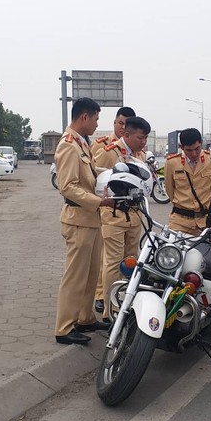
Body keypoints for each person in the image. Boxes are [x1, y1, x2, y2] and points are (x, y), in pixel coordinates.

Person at [54, 97, 114, 345]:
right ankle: (64, 328)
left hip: (90, 220)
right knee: (75, 276)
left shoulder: (81, 143)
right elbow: (67, 187)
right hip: (78, 219)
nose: (97, 124)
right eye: (96, 119)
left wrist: (116, 173)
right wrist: (98, 202)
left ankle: (86, 318)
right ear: (84, 117)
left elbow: (89, 173)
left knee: (91, 275)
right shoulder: (68, 145)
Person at [93, 116, 149, 321]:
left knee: (130, 263)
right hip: (113, 215)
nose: (143, 142)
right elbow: (96, 180)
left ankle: (124, 304)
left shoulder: (140, 155)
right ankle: (109, 310)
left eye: (146, 138)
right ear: (127, 134)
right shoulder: (109, 153)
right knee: (112, 263)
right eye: (140, 137)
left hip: (134, 216)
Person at [89, 105, 136, 314]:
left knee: (124, 258)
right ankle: (101, 294)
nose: (122, 128)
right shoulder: (103, 146)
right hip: (108, 209)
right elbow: (94, 176)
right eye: (120, 123)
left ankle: (118, 296)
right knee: (106, 257)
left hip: (129, 213)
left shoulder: (137, 150)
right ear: (114, 122)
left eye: (127, 125)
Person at [164, 128, 211, 235]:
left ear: (201, 143)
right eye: (189, 150)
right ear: (181, 147)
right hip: (180, 221)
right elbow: (170, 190)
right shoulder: (172, 163)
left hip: (206, 220)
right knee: (172, 249)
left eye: (197, 148)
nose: (194, 153)